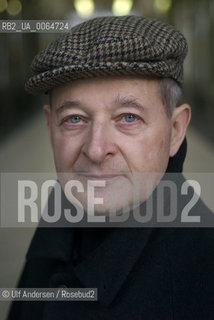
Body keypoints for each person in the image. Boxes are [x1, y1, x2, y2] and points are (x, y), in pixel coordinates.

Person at [7, 15, 214, 320]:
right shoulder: (63, 213)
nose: (95, 149)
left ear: (175, 130)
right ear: (51, 129)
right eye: (74, 119)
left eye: (128, 118)